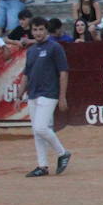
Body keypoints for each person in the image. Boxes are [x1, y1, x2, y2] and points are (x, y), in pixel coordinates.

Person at [16, 17, 71, 178]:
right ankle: (43, 165)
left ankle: (63, 152)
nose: (38, 33)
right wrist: (19, 95)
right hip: (33, 93)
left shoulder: (55, 47)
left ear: (46, 30)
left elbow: (63, 72)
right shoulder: (31, 50)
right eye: (35, 30)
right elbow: (26, 74)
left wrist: (62, 96)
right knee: (37, 131)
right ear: (31, 31)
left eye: (41, 29)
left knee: (40, 128)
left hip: (49, 93)